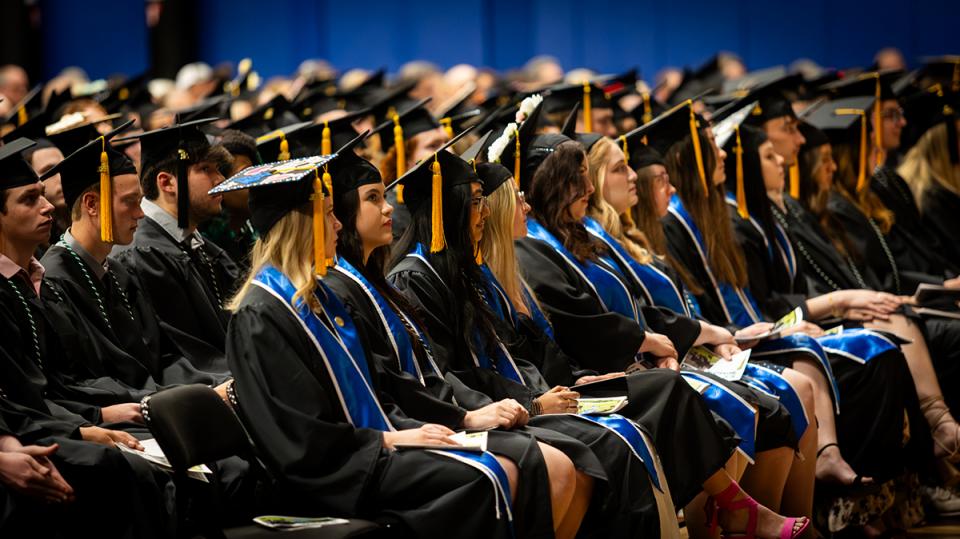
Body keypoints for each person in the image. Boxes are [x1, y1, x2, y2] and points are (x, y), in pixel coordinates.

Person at [216, 151, 516, 539]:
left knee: (496, 464)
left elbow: (375, 389)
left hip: (367, 452)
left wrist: (421, 427)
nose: (339, 224)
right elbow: (303, 434)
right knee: (483, 478)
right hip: (333, 474)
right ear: (298, 225)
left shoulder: (320, 300)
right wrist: (392, 439)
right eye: (327, 213)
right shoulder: (261, 316)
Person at [320, 136, 595, 538]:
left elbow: (428, 371)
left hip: (445, 410)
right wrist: (480, 413)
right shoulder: (377, 285)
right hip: (406, 430)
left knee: (584, 454)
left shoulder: (381, 284)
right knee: (554, 462)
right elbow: (393, 384)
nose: (386, 209)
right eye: (373, 198)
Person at [39, 122, 231, 390]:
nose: (141, 213)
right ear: (92, 205)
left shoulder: (116, 272)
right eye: (130, 202)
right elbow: (82, 380)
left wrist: (212, 384)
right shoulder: (55, 281)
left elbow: (160, 358)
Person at [112, 119, 237, 371]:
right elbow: (182, 352)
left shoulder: (197, 244)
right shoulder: (142, 254)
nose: (220, 179)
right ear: (166, 183)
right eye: (206, 169)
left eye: (218, 169)